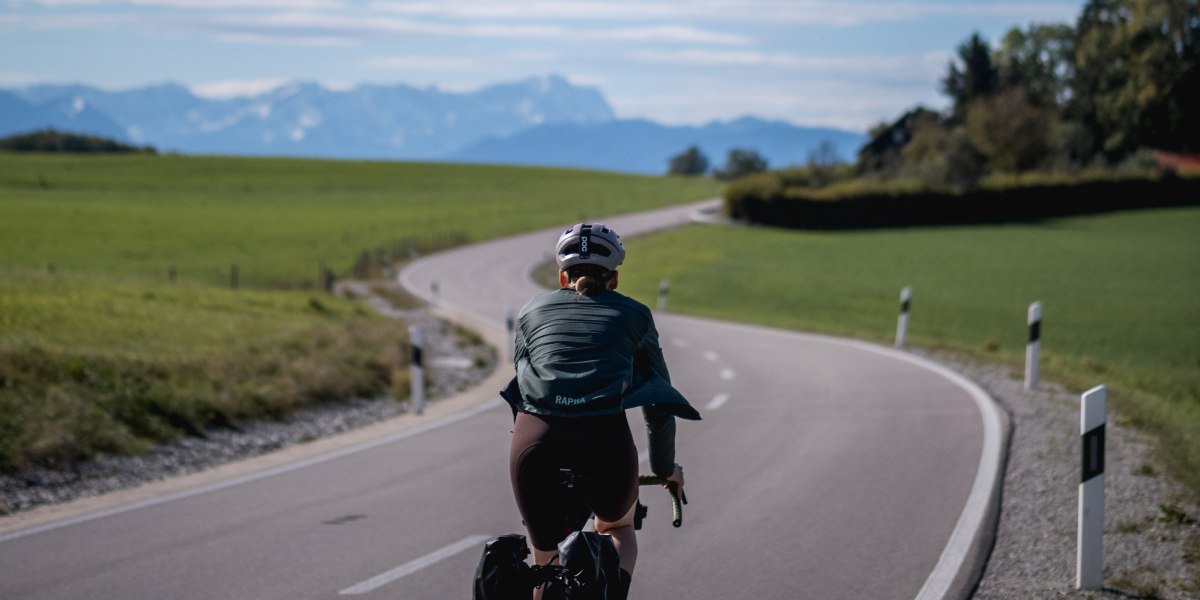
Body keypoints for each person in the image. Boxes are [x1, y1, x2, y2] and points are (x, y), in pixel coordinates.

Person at [500, 223, 700, 599]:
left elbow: (522, 389)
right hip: (604, 443)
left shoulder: (531, 311)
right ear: (615, 279)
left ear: (562, 276)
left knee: (544, 565)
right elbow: (658, 404)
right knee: (616, 530)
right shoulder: (636, 315)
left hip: (533, 444)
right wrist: (663, 468)